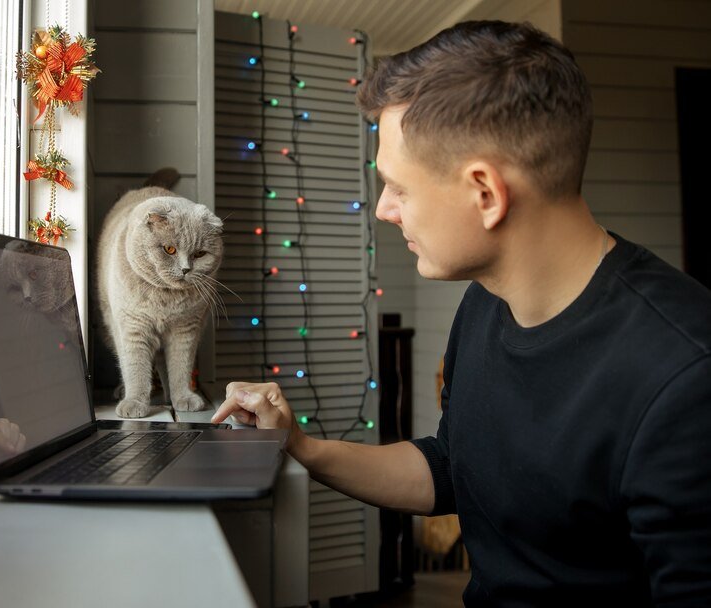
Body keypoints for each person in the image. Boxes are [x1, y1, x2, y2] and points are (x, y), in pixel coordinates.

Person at [212, 20, 711, 606]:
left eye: (397, 186)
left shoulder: (685, 376)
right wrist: (300, 445)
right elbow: (453, 468)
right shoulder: (484, 302)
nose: (382, 210)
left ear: (486, 194)